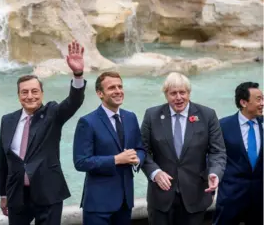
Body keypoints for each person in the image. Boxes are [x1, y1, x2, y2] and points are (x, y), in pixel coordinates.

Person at [0, 41, 86, 225]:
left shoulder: (52, 113)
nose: (30, 96)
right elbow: (3, 159)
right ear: (18, 95)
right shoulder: (7, 120)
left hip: (48, 192)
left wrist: (77, 75)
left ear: (42, 94)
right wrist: (3, 194)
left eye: (35, 91)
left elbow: (73, 102)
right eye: (25, 92)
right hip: (17, 195)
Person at [141, 72, 227, 225]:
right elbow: (142, 150)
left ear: (189, 93)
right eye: (173, 93)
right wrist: (155, 172)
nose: (178, 97)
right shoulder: (152, 115)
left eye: (183, 92)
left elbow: (217, 151)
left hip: (195, 195)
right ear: (166, 95)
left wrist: (215, 172)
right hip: (161, 197)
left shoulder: (207, 115)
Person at [73, 71, 146, 225]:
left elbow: (140, 148)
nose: (118, 91)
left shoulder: (131, 117)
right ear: (100, 93)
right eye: (112, 88)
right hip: (98, 204)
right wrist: (116, 160)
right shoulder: (87, 122)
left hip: (126, 201)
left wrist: (137, 158)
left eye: (120, 86)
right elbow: (81, 162)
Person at [213, 82, 263, 225]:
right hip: (231, 197)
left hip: (260, 198)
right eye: (258, 99)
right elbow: (212, 155)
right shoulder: (223, 126)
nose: (262, 103)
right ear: (243, 102)